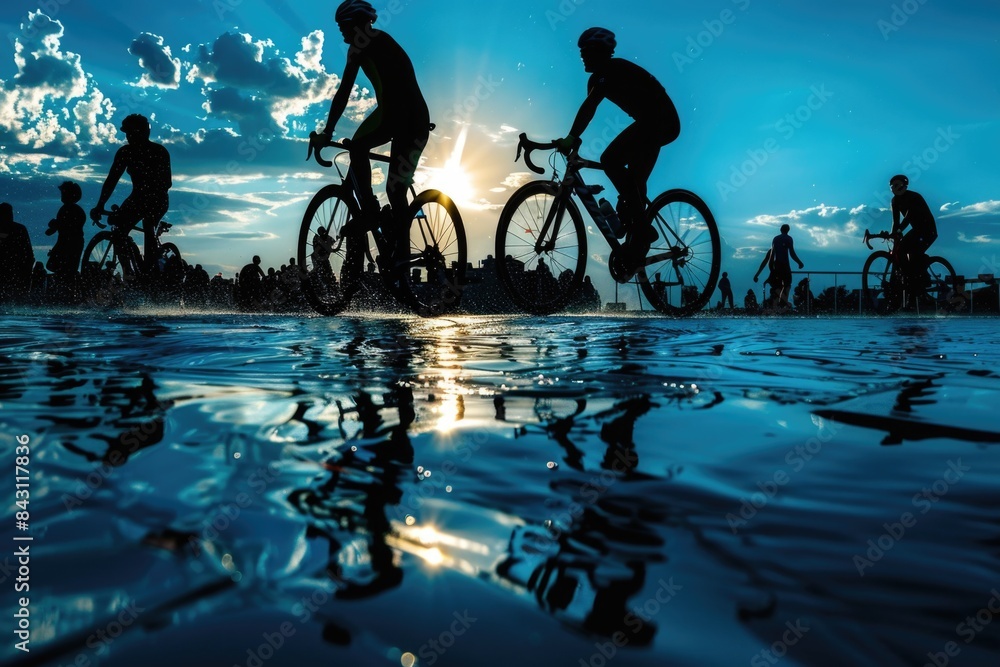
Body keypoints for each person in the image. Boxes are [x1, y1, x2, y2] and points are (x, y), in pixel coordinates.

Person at [554, 27, 680, 270]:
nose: (581, 56)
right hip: (651, 124)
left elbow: (589, 107)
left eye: (586, 51)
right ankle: (635, 246)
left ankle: (642, 231)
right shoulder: (597, 78)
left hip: (660, 121)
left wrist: (571, 137)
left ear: (600, 52)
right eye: (580, 52)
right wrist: (575, 138)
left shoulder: (610, 70)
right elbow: (588, 110)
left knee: (610, 159)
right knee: (632, 187)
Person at [319, 0, 429, 265]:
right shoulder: (371, 40)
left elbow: (344, 91)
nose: (341, 32)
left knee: (366, 156)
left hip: (402, 115)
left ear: (358, 23)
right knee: (390, 184)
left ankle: (373, 217)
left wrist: (328, 132)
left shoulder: (365, 41)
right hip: (406, 117)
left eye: (343, 26)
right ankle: (394, 245)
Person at [91, 114, 172, 277]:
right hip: (137, 198)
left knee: (149, 224)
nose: (129, 137)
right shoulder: (125, 152)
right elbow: (111, 180)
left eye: (133, 133)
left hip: (158, 198)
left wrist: (150, 195)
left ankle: (150, 271)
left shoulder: (159, 151)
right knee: (119, 230)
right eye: (127, 134)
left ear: (143, 133)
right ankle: (129, 273)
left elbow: (167, 183)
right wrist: (100, 204)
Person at [889, 174, 937, 285]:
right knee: (903, 251)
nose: (894, 188)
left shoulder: (914, 197)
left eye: (896, 185)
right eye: (892, 186)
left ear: (904, 186)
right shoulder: (895, 200)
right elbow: (895, 221)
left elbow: (909, 216)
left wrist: (899, 230)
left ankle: (918, 278)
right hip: (917, 230)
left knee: (912, 252)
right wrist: (893, 233)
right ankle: (911, 277)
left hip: (928, 230)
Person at [45, 181, 86, 279]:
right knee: (66, 269)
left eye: (64, 193)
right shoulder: (74, 209)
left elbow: (65, 225)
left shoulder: (68, 209)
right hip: (71, 242)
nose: (62, 195)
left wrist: (54, 225)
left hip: (68, 243)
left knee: (61, 268)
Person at [763, 224, 804, 309]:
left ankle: (780, 304)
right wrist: (799, 262)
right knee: (787, 285)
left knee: (779, 286)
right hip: (785, 265)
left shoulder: (776, 239)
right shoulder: (788, 239)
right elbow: (792, 253)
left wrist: (771, 267)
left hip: (777, 266)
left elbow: (772, 254)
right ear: (788, 230)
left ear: (781, 229)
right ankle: (784, 304)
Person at [0, 202, 34, 302]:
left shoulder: (19, 229)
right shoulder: (20, 228)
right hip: (19, 267)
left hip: (12, 266)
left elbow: (27, 251)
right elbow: (28, 251)